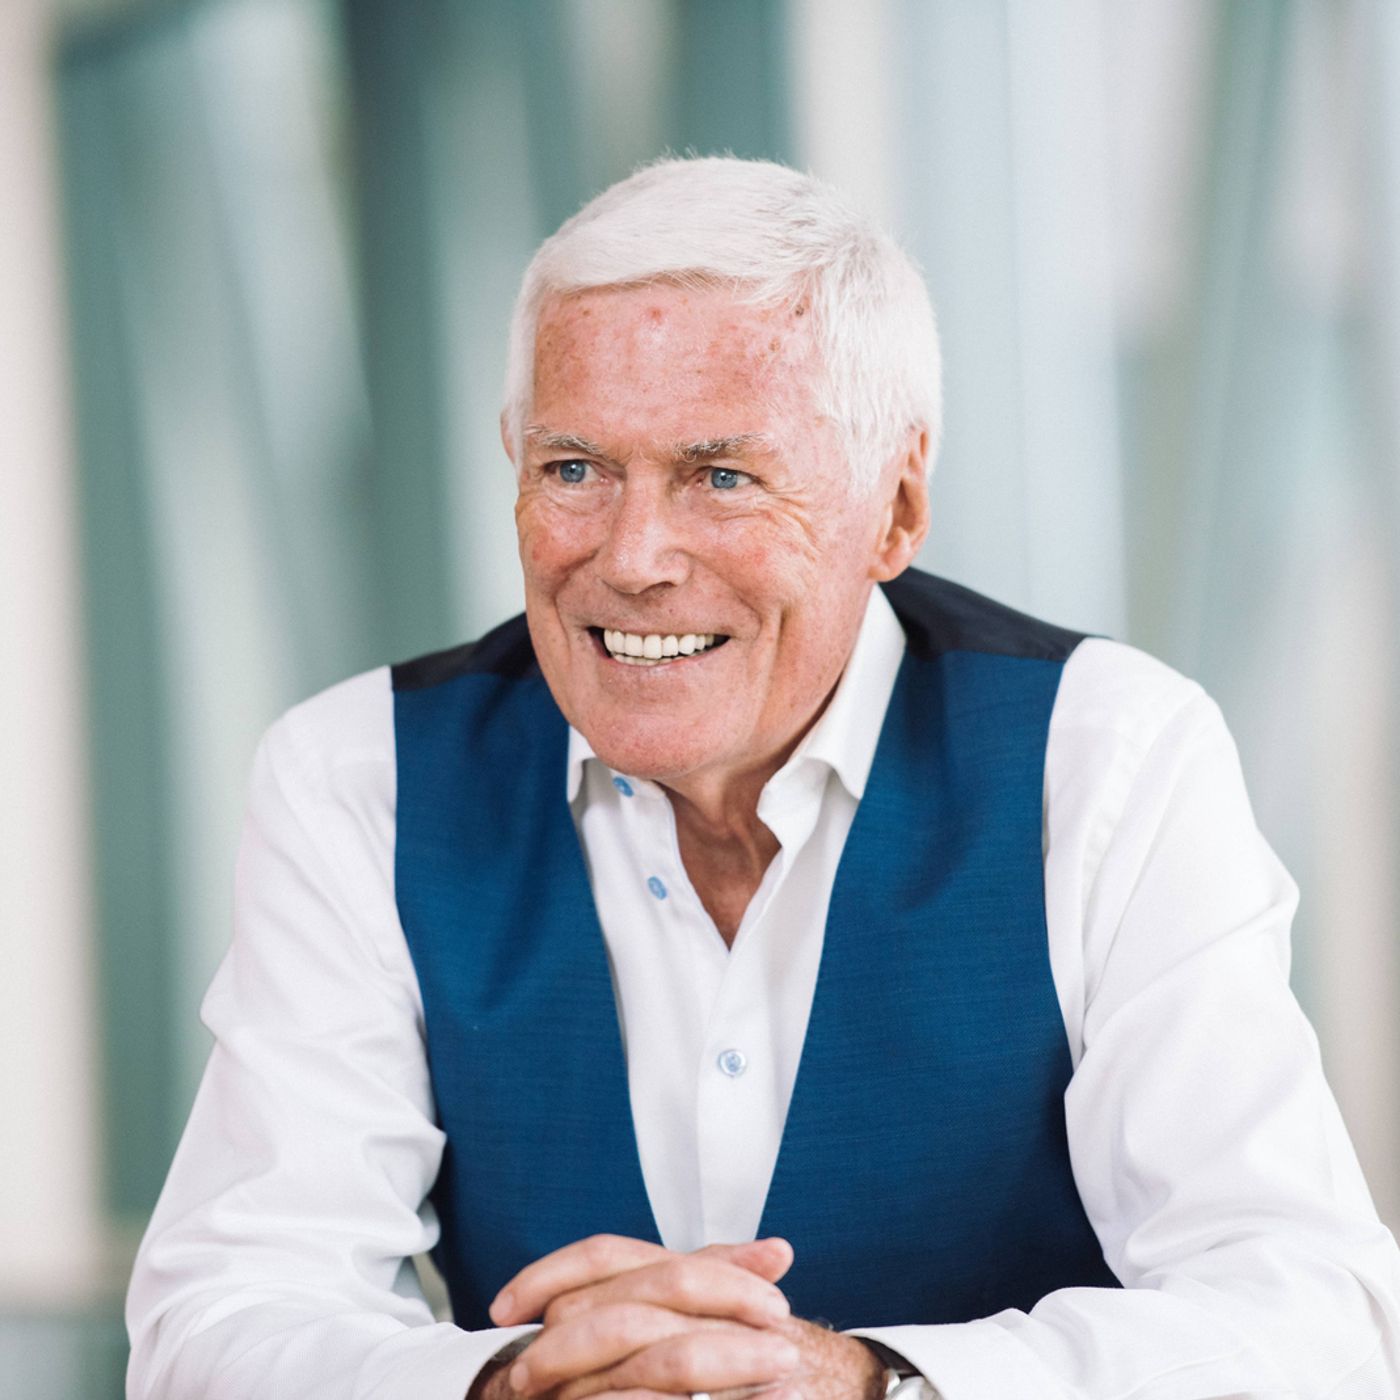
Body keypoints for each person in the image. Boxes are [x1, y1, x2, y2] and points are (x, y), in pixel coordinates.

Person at [126, 156, 1400, 1400]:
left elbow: (1312, 1320)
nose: (633, 556)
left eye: (720, 476)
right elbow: (220, 1316)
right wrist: (510, 1383)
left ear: (894, 508)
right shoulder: (361, 778)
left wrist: (868, 1383)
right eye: (574, 469)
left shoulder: (1105, 756)